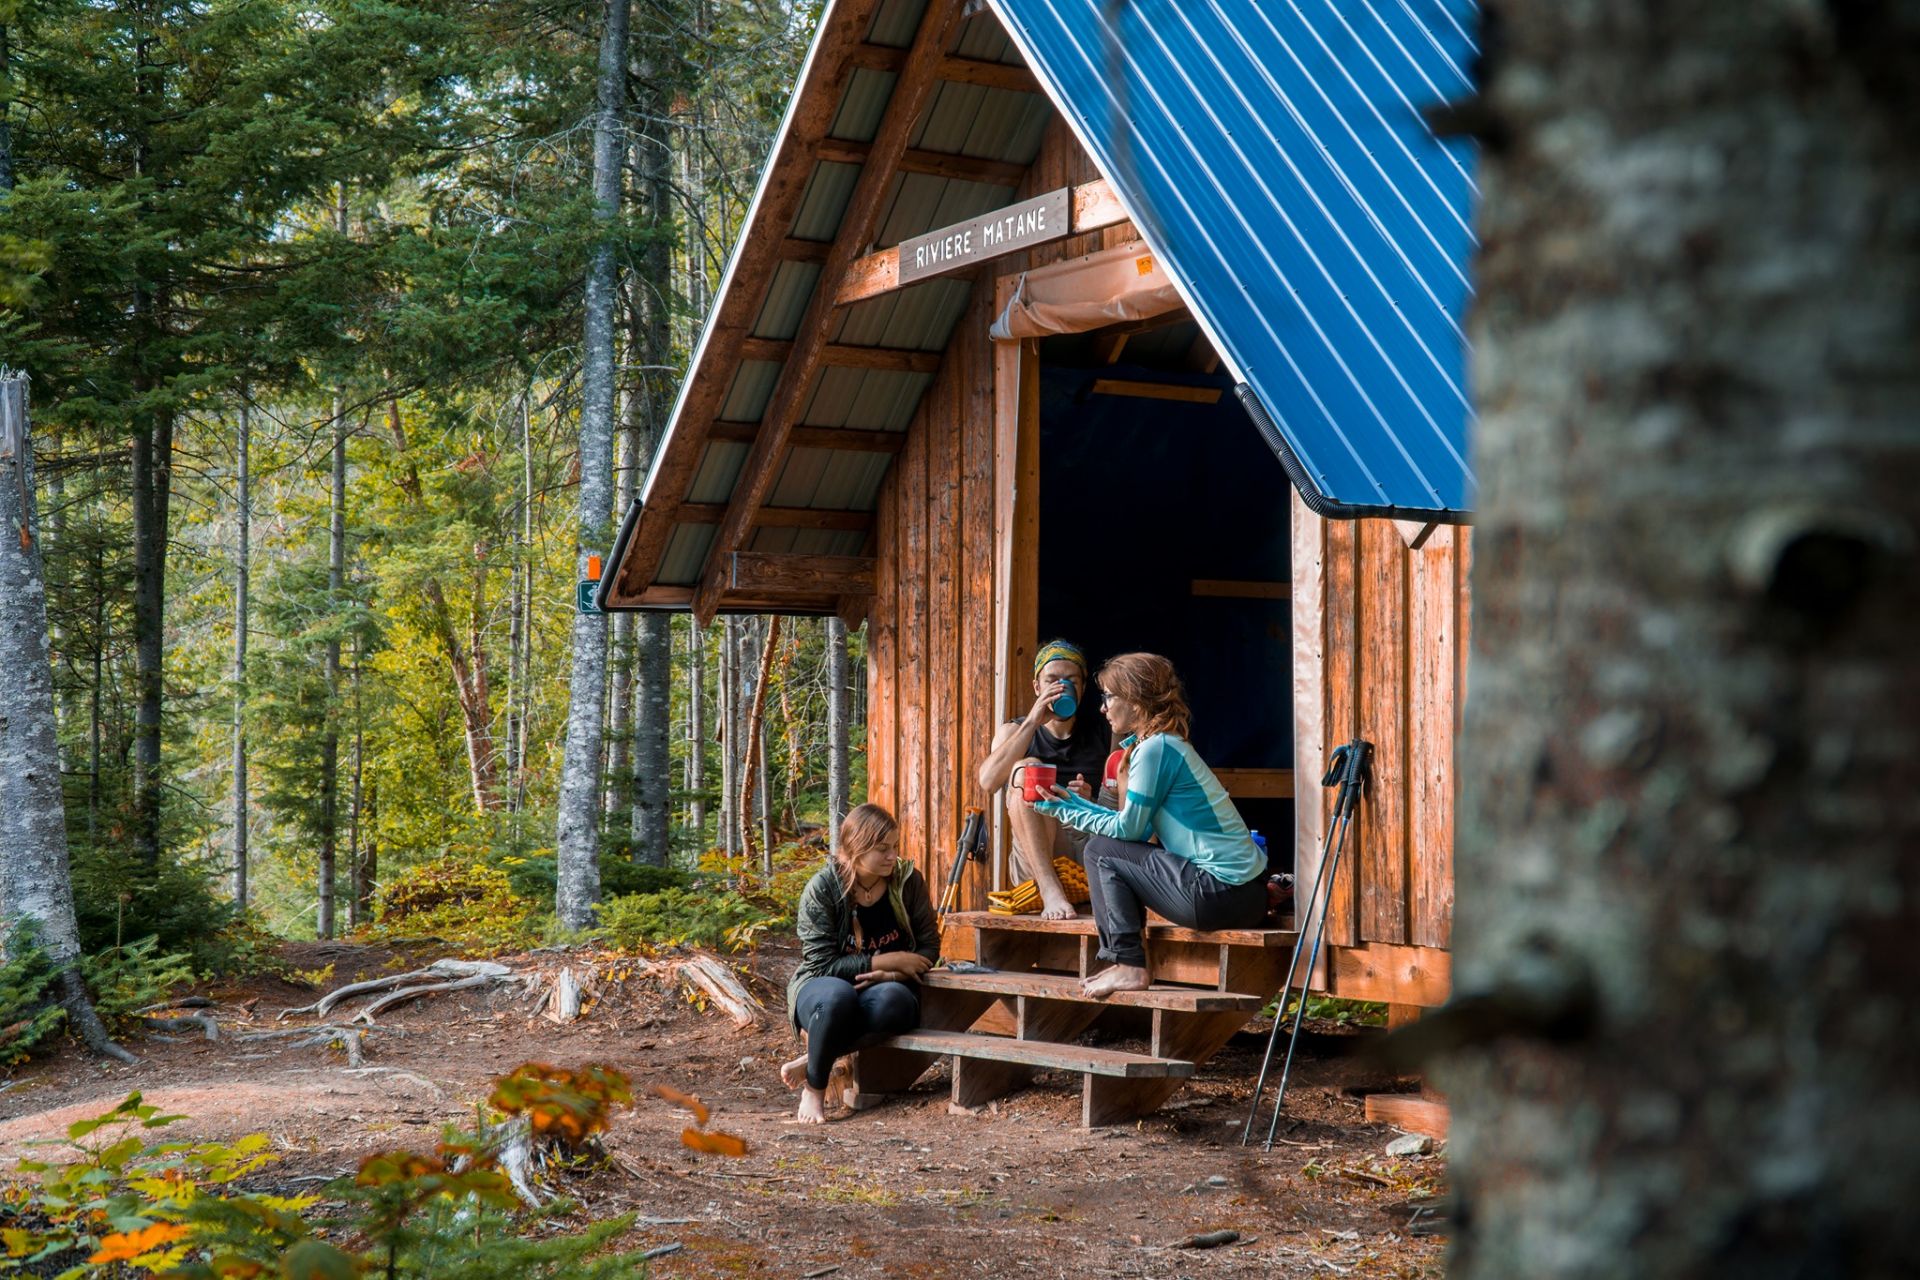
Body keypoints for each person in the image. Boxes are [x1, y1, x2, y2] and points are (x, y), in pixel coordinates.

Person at [1032, 653, 1268, 998]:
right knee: (1106, 848)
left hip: (1219, 893)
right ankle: (1124, 960)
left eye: (1109, 697)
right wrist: (1070, 803)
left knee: (1100, 851)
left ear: (1137, 700)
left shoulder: (1156, 749)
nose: (1102, 708)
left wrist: (1064, 812)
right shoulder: (1163, 744)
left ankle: (1129, 964)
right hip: (1243, 895)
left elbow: (1128, 832)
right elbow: (1138, 833)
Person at [779, 803, 940, 1123]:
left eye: (895, 846)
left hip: (882, 985)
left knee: (897, 1003)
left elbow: (929, 946)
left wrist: (890, 972)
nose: (892, 856)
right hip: (822, 985)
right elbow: (822, 964)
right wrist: (885, 959)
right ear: (856, 847)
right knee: (838, 998)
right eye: (882, 849)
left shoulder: (907, 882)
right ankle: (814, 1088)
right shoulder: (823, 888)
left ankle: (816, 1057)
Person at [974, 639, 1113, 919]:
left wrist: (1091, 802)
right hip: (1037, 855)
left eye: (1071, 680)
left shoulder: (1105, 731)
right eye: (1051, 680)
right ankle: (1051, 891)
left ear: (1082, 688)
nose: (1060, 687)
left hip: (1086, 843)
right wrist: (1033, 721)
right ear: (1037, 687)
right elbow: (988, 782)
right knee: (1026, 768)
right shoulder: (1015, 730)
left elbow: (1124, 807)